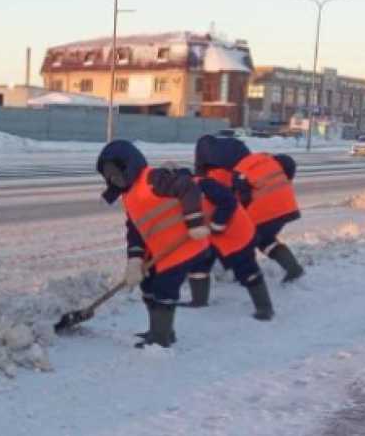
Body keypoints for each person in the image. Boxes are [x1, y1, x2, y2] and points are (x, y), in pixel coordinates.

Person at [96, 140, 212, 348]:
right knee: (148, 284)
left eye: (117, 173)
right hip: (164, 252)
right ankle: (160, 331)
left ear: (129, 166)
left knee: (163, 288)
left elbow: (188, 187)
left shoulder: (153, 178)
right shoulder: (129, 197)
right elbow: (135, 231)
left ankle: (161, 339)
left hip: (186, 244)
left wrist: (195, 222)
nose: (115, 179)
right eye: (110, 177)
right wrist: (135, 260)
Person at [194, 135, 305, 282]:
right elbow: (287, 163)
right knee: (265, 240)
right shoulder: (260, 160)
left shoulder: (226, 174)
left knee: (242, 239)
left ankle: (247, 276)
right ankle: (293, 268)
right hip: (287, 208)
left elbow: (237, 199)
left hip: (264, 212)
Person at [183, 167, 274, 320]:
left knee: (246, 269)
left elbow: (228, 201)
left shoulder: (204, 185)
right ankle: (199, 301)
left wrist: (217, 225)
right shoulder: (181, 194)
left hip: (236, 234)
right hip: (211, 235)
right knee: (199, 263)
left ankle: (264, 308)